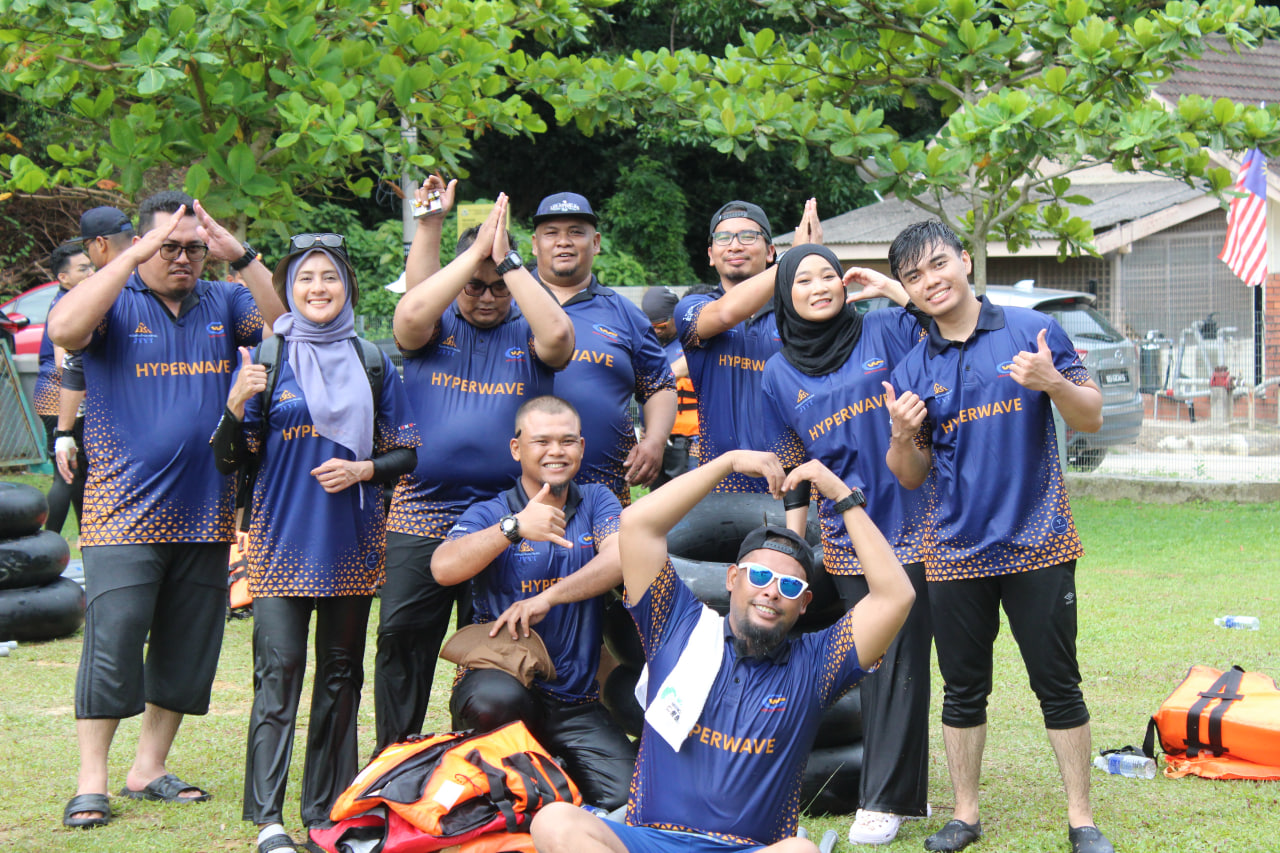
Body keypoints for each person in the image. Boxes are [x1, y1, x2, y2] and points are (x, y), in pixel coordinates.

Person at [529, 448, 915, 853]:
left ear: (804, 604)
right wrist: (726, 463)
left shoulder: (817, 664)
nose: (771, 591)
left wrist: (842, 496)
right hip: (650, 840)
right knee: (555, 822)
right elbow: (638, 524)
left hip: (745, 848)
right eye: (759, 575)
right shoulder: (676, 625)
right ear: (732, 579)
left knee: (799, 851)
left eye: (789, 586)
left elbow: (896, 596)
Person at [48, 190, 285, 830]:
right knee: (114, 641)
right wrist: (128, 261)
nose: (182, 258)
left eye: (193, 249)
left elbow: (286, 322)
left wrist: (242, 256)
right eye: (167, 246)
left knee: (187, 646)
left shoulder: (224, 299)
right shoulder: (112, 298)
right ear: (139, 245)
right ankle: (91, 782)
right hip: (120, 513)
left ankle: (148, 767)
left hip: (206, 510)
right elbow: (64, 332)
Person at [882, 221, 1111, 853]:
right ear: (906, 289)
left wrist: (1053, 382)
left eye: (937, 264)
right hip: (953, 552)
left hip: (1039, 541)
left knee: (1058, 684)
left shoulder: (1030, 330)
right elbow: (909, 473)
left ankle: (1082, 819)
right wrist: (901, 434)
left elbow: (1091, 414)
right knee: (962, 690)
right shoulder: (912, 366)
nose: (930, 281)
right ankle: (965, 815)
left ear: (964, 260)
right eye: (913, 276)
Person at [211, 233, 419, 853]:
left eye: (330, 277)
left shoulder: (371, 360)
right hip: (279, 543)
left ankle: (325, 812)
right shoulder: (269, 356)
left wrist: (365, 469)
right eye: (305, 278)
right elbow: (229, 458)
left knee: (340, 677)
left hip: (351, 544)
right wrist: (234, 405)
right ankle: (268, 819)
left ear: (347, 287)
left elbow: (406, 451)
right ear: (289, 289)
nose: (318, 288)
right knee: (278, 674)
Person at [376, 190, 574, 753]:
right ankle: (394, 755)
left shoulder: (528, 332)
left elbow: (560, 340)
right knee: (402, 639)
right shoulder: (433, 328)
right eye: (474, 286)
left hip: (507, 513)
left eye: (498, 287)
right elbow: (410, 312)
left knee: (497, 644)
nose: (487, 297)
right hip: (420, 509)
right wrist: (473, 254)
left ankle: (481, 755)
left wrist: (508, 262)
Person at [757, 243, 934, 845]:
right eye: (803, 279)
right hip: (845, 535)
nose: (819, 287)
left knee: (902, 657)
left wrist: (889, 288)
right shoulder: (776, 373)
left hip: (915, 520)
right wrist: (791, 546)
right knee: (874, 658)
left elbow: (947, 325)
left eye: (828, 275)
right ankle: (892, 792)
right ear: (786, 295)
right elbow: (792, 464)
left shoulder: (884, 329)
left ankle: (886, 800)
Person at [431, 395, 636, 810]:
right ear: (516, 448)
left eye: (567, 441)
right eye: (541, 441)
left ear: (581, 446)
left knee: (624, 799)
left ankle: (548, 774)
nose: (555, 451)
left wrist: (548, 598)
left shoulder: (597, 500)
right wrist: (514, 528)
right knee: (494, 703)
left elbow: (619, 558)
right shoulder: (491, 511)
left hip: (575, 702)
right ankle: (521, 775)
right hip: (500, 688)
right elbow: (443, 567)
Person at [531, 191, 675, 504]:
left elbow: (660, 386)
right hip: (515, 493)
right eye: (551, 233)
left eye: (576, 232)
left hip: (605, 493)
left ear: (595, 242)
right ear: (534, 244)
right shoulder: (506, 304)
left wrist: (655, 440)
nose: (563, 242)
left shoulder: (625, 314)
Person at [673, 200, 819, 493]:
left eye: (748, 236)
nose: (735, 245)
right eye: (723, 238)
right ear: (711, 255)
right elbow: (725, 314)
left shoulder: (800, 312)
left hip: (793, 488)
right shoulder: (693, 308)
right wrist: (793, 261)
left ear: (770, 252)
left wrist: (803, 264)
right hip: (719, 486)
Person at [52, 207, 138, 500]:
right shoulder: (163, 281)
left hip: (118, 431)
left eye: (87, 246)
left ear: (100, 244)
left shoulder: (97, 293)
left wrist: (64, 432)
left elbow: (72, 362)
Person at [34, 243, 95, 534]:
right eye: (83, 269)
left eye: (91, 266)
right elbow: (63, 362)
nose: (91, 272)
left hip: (59, 395)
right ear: (63, 277)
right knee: (67, 474)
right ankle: (48, 542)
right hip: (58, 396)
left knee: (78, 473)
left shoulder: (70, 299)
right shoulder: (66, 305)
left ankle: (87, 539)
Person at [641, 286, 698, 487]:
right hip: (655, 441)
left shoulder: (692, 342)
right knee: (657, 497)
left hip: (687, 440)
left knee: (685, 495)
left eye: (661, 325)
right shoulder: (647, 346)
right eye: (651, 326)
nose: (656, 330)